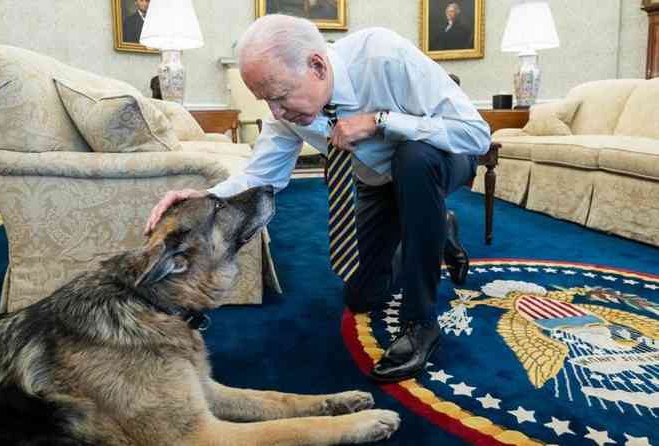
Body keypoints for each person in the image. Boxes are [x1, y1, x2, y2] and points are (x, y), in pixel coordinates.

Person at [144, 15, 490, 383]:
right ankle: (439, 229)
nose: (275, 113)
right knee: (361, 297)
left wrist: (382, 121)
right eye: (266, 101)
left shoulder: (384, 56)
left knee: (413, 159)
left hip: (440, 159)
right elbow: (263, 178)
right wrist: (206, 197)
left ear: (317, 65)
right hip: (378, 183)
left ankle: (420, 322)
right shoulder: (287, 111)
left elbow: (476, 135)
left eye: (279, 97)